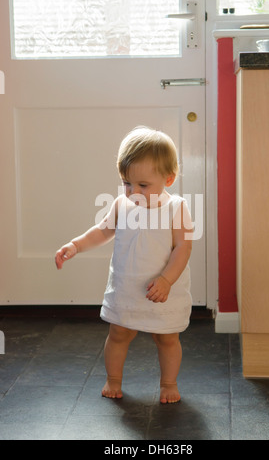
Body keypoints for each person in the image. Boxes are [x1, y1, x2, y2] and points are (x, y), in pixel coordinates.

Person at [55, 126, 193, 404]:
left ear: (169, 178)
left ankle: (168, 383)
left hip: (162, 290)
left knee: (166, 338)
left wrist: (166, 280)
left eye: (143, 185)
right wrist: (76, 245)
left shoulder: (177, 208)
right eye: (127, 183)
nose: (133, 192)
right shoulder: (121, 204)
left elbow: (183, 248)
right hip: (127, 287)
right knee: (118, 333)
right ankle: (113, 379)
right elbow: (102, 231)